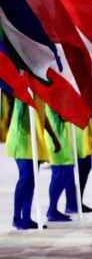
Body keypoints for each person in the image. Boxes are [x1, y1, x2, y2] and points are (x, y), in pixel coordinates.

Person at [7, 96, 60, 229]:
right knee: (26, 177)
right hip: (21, 139)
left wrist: (54, 137)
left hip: (35, 141)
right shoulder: (25, 88)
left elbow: (43, 116)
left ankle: (26, 218)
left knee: (31, 180)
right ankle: (16, 218)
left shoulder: (40, 93)